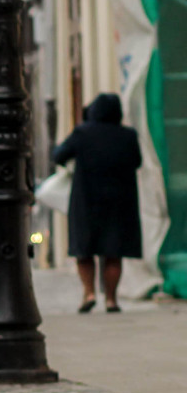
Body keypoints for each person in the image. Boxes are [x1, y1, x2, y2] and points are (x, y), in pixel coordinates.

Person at [53, 93, 142, 313]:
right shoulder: (128, 135)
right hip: (119, 201)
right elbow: (137, 161)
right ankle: (111, 299)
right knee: (114, 251)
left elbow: (58, 155)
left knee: (84, 249)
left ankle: (89, 293)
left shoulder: (83, 133)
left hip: (86, 200)